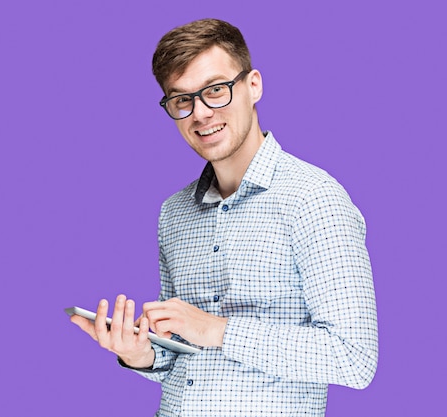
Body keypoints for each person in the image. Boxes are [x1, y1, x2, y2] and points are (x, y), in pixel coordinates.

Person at [71, 18, 378, 416]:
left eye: (215, 90)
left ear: (253, 86)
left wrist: (218, 330)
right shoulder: (174, 213)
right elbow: (182, 357)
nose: (200, 113)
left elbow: (354, 358)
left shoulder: (314, 198)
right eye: (182, 100)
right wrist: (141, 354)